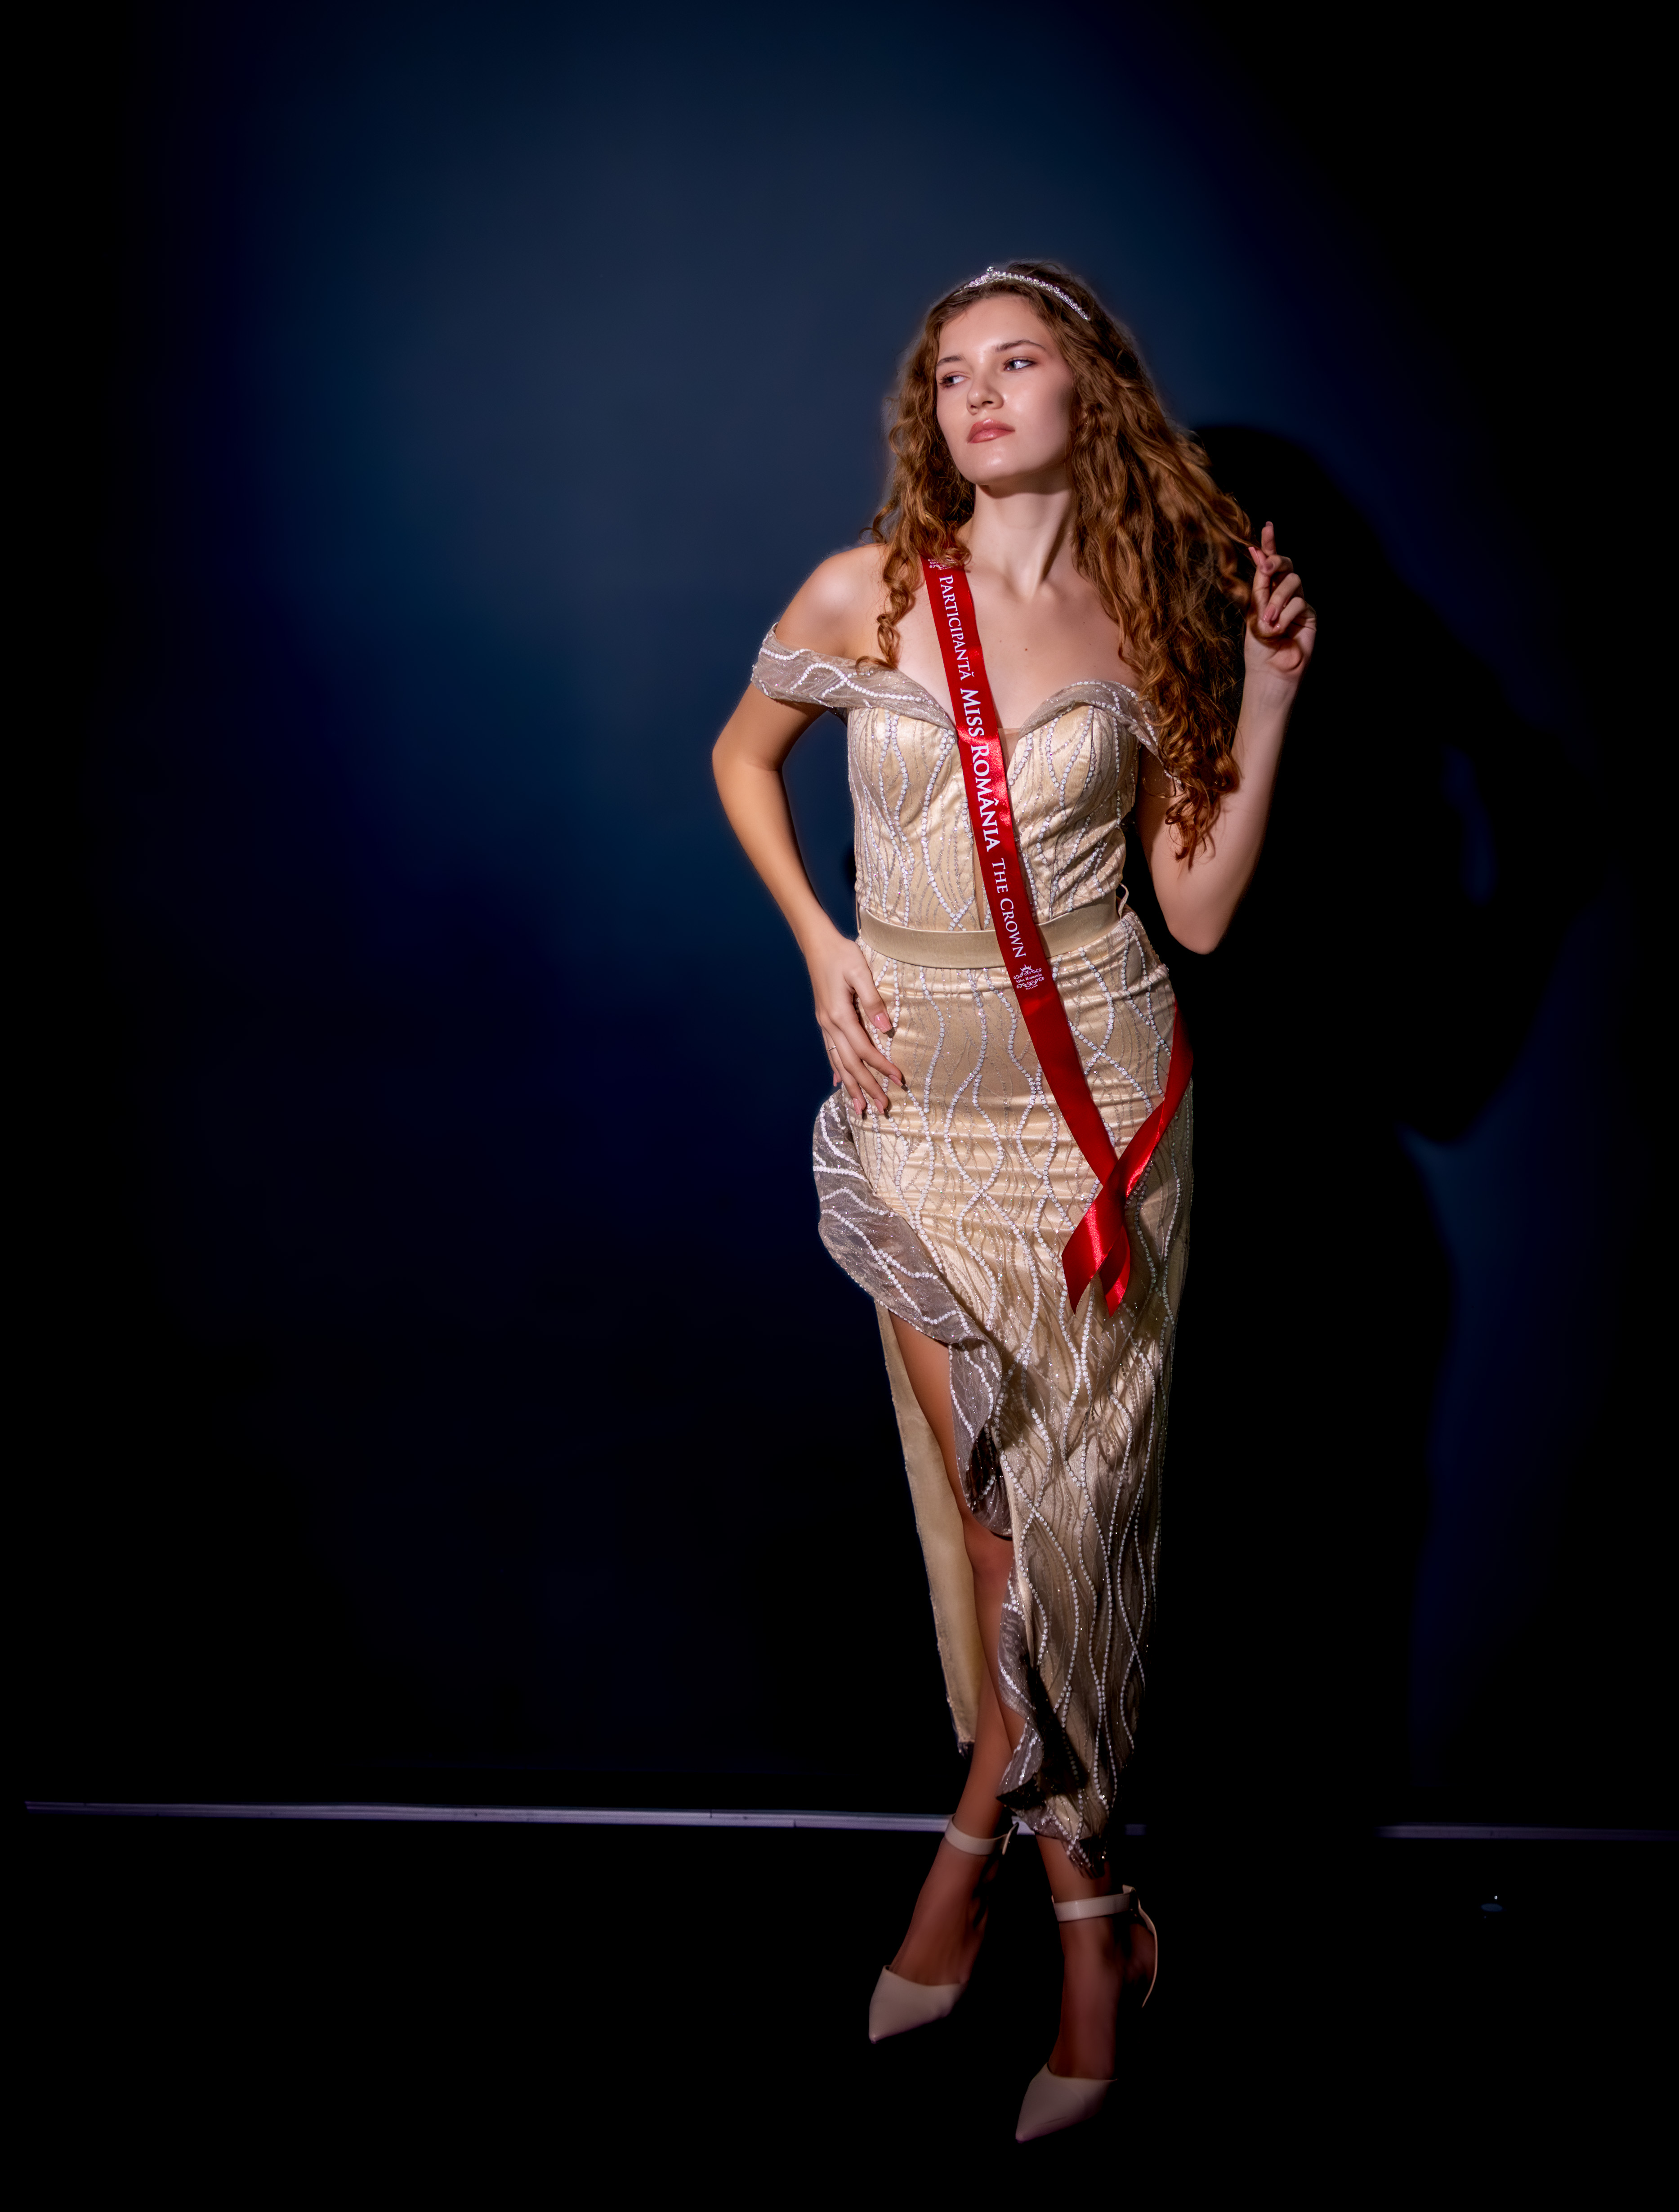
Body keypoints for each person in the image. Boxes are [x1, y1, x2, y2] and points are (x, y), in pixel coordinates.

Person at [712, 261, 1314, 2139]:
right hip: (920, 1111)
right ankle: (1081, 1913)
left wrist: (1269, 695)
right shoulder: (868, 591)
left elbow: (1193, 911)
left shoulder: (1150, 613)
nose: (977, 394)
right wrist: (822, 943)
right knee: (999, 1526)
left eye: (1018, 361)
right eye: (952, 372)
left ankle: (1031, 1892)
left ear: (1086, 393)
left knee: (1074, 1528)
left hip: (1101, 1114)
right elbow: (742, 757)